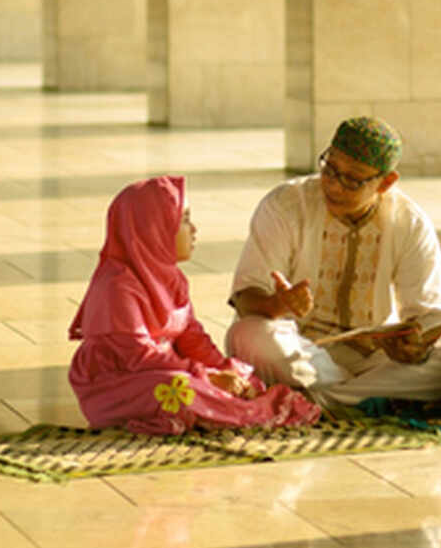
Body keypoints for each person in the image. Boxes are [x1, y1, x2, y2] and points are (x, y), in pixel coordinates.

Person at [225, 116, 441, 408]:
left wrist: (412, 346)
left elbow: (427, 316)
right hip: (299, 349)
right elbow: (245, 299)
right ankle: (359, 397)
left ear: (386, 182)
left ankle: (319, 400)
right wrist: (278, 304)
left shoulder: (410, 222)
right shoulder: (285, 205)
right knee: (247, 335)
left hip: (374, 358)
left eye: (352, 180)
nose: (334, 186)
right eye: (330, 169)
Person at [68, 176, 320, 435]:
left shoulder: (171, 278)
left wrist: (222, 368)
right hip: (117, 383)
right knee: (179, 389)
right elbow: (137, 355)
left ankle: (232, 409)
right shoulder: (116, 286)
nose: (194, 229)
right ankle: (250, 413)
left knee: (239, 376)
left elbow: (191, 337)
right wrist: (206, 376)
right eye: (185, 220)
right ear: (155, 228)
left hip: (165, 369)